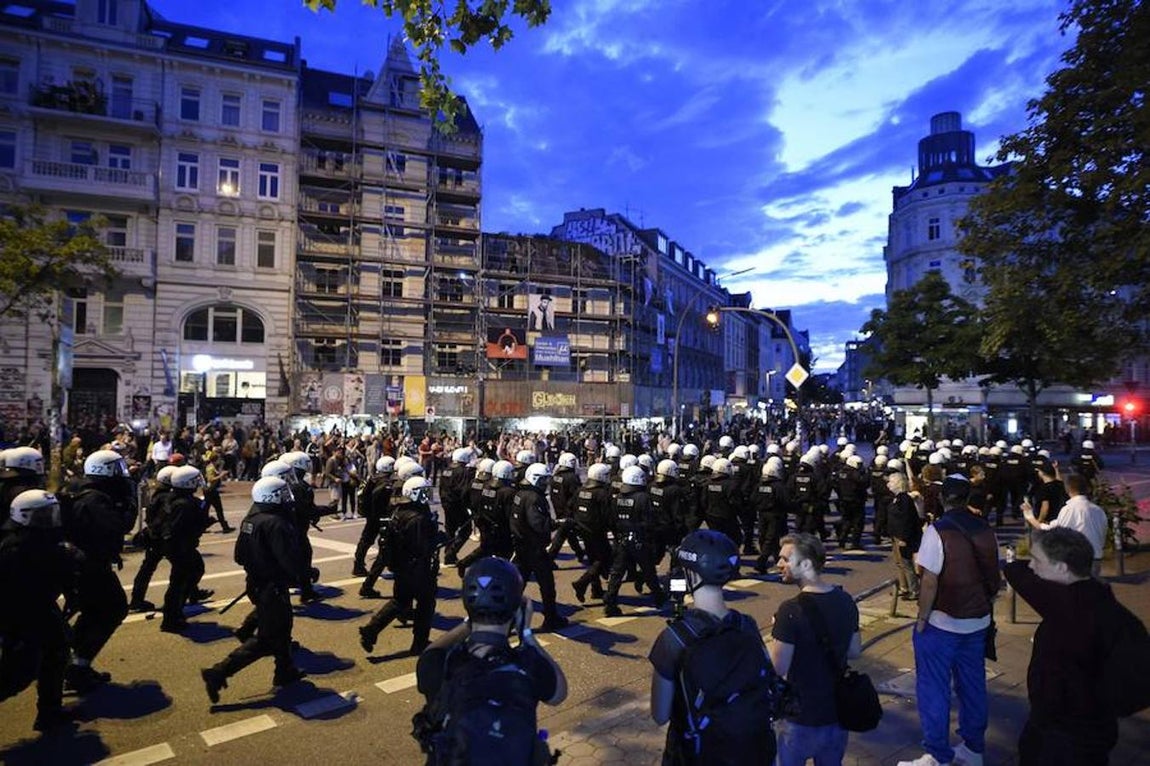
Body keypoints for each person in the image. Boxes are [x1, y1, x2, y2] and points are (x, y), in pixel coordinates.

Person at [413, 556, 567, 765]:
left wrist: (471, 621)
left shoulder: (440, 663)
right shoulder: (527, 665)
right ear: (517, 607)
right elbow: (559, 694)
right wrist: (527, 634)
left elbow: (431, 652)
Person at [649, 529, 778, 765]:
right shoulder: (746, 625)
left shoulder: (674, 638)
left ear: (690, 575)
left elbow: (659, 715)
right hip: (751, 753)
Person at [899, 475, 1001, 766]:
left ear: (943, 498)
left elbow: (930, 580)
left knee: (933, 688)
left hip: (943, 621)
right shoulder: (984, 527)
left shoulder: (938, 530)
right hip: (977, 620)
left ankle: (937, 753)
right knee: (973, 686)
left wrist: (922, 619)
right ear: (968, 498)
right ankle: (973, 747)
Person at [1004, 528, 1120, 765]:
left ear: (1062, 568)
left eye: (1038, 562)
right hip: (1089, 725)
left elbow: (1015, 570)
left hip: (1062, 728)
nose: (1033, 568)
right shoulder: (1095, 596)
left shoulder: (1067, 606)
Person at [201, 476, 309, 703]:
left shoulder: (252, 518)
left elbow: (239, 555)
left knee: (283, 626)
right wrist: (304, 574)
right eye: (282, 494)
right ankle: (218, 672)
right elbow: (287, 559)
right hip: (272, 586)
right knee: (266, 638)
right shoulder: (276, 523)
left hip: (256, 582)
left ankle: (285, 671)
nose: (286, 498)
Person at [769, 532, 862, 766]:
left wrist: (775, 634)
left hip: (801, 718)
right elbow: (854, 651)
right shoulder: (845, 600)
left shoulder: (790, 611)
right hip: (837, 715)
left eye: (785, 559)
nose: (779, 564)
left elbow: (778, 667)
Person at [0, 491, 78, 732]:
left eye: (50, 514)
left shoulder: (37, 539)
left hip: (40, 607)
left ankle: (50, 710)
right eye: (42, 516)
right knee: (19, 672)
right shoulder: (14, 547)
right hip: (21, 614)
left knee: (58, 651)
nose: (49, 520)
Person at [63, 449, 137, 693]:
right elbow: (120, 525)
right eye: (116, 469)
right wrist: (131, 501)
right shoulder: (95, 500)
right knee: (113, 609)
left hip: (81, 563)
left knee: (92, 613)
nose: (121, 474)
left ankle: (75, 664)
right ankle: (74, 664)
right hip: (89, 565)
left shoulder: (81, 490)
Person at [359, 476, 443, 656]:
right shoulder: (418, 518)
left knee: (399, 601)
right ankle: (419, 643)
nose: (426, 495)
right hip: (418, 569)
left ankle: (371, 629)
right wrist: (438, 538)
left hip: (402, 567)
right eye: (423, 492)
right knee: (426, 605)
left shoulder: (399, 511)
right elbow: (422, 547)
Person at [511, 463, 568, 631]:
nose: (546, 484)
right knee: (547, 586)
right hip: (533, 548)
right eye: (543, 480)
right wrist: (557, 523)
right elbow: (538, 524)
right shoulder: (534, 497)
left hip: (522, 546)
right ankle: (551, 618)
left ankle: (505, 623)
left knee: (517, 586)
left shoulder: (520, 493)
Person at [603, 465, 666, 618]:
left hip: (622, 540)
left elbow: (611, 520)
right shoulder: (643, 498)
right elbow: (650, 522)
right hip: (640, 540)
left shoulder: (617, 498)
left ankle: (610, 604)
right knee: (649, 571)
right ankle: (659, 597)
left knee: (617, 573)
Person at [1022, 472, 1106, 576]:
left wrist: (1029, 516)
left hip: (1076, 558)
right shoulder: (1098, 510)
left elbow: (1056, 531)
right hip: (1096, 556)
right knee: (1092, 588)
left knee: (1076, 588)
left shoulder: (1069, 509)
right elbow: (1102, 534)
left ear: (1068, 489)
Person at [887, 473, 923, 599]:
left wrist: (903, 537)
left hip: (903, 536)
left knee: (907, 564)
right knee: (899, 563)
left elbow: (906, 520)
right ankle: (904, 586)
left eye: (891, 482)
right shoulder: (897, 498)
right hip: (896, 535)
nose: (888, 485)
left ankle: (915, 590)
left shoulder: (904, 499)